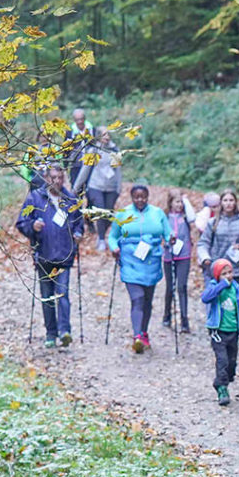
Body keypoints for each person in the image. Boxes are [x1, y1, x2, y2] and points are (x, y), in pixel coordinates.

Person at [13, 163, 84, 349]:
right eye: (53, 177)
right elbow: (21, 223)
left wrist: (78, 235)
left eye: (60, 178)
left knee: (63, 294)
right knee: (47, 297)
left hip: (64, 255)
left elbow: (79, 224)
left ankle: (64, 331)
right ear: (46, 178)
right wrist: (32, 228)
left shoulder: (71, 200)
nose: (57, 181)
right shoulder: (35, 198)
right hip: (43, 255)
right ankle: (51, 333)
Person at [106, 183, 170, 354]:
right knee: (138, 298)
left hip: (152, 260)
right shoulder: (123, 214)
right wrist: (114, 248)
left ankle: (144, 332)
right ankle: (137, 337)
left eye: (143, 197)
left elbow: (168, 233)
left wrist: (172, 241)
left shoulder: (158, 213)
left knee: (148, 300)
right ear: (131, 197)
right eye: (136, 197)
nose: (140, 200)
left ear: (147, 196)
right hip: (130, 259)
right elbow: (112, 236)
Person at [201, 259, 239, 405]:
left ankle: (223, 380)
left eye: (230, 272)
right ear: (217, 275)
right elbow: (205, 298)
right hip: (218, 332)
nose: (228, 276)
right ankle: (222, 389)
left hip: (233, 331)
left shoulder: (236, 288)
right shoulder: (214, 286)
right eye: (224, 273)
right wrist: (221, 285)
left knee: (231, 362)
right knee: (222, 361)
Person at [73, 129, 121, 249]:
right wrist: (76, 187)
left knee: (109, 214)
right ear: (98, 136)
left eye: (108, 134)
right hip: (96, 186)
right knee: (100, 210)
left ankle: (102, 233)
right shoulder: (93, 150)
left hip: (111, 187)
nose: (106, 136)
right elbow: (85, 170)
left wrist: (119, 188)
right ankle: (101, 239)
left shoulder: (115, 150)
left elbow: (118, 171)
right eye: (103, 134)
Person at [197, 189, 239, 286]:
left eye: (231, 200)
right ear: (221, 203)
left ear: (235, 202)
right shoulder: (213, 222)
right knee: (216, 300)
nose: (228, 203)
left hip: (236, 270)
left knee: (234, 300)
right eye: (225, 200)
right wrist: (205, 258)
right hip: (216, 269)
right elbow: (203, 243)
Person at [162, 193, 198, 333]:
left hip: (184, 255)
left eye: (181, 203)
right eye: (177, 202)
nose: (179, 205)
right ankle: (167, 315)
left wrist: (186, 200)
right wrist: (166, 241)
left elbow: (193, 218)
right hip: (169, 255)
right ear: (170, 202)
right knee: (170, 288)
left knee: (182, 287)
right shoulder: (165, 217)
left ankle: (184, 320)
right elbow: (160, 233)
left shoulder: (185, 217)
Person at [66, 108, 95, 188]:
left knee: (91, 189)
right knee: (76, 189)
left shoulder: (92, 130)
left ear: (84, 119)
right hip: (76, 165)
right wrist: (65, 164)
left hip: (90, 164)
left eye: (81, 119)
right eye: (77, 120)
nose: (80, 122)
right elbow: (66, 148)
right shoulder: (70, 131)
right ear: (74, 120)